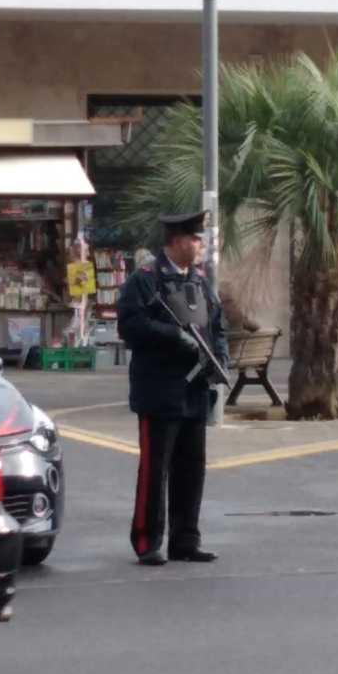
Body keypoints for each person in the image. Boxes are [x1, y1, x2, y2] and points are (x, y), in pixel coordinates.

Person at [117, 211, 229, 567]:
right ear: (177, 241)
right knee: (155, 469)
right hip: (159, 389)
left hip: (195, 390)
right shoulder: (145, 280)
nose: (200, 246)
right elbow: (130, 326)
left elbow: (217, 326)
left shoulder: (199, 281)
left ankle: (186, 540)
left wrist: (221, 360)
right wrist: (174, 336)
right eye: (196, 239)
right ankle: (148, 541)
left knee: (191, 469)